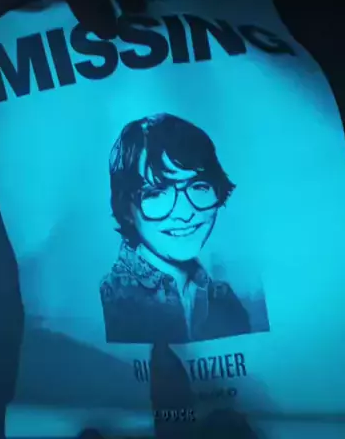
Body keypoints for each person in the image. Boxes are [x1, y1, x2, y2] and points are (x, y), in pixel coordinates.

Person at [100, 113, 251, 343]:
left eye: (199, 186)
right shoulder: (110, 299)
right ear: (126, 208)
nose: (184, 212)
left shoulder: (225, 301)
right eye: (156, 193)